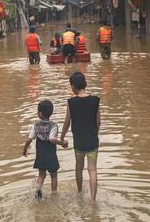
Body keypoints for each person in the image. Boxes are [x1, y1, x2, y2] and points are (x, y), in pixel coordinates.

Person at [60, 72, 101, 204]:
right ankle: (93, 200)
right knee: (92, 169)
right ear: (84, 84)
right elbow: (98, 121)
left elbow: (67, 123)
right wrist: (95, 133)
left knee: (79, 168)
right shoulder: (95, 100)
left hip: (79, 142)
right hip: (92, 141)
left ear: (73, 86)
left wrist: (61, 138)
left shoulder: (71, 102)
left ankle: (79, 193)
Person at [23, 100, 68, 200]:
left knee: (41, 175)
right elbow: (52, 139)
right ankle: (54, 194)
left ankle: (38, 189)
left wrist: (25, 149)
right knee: (54, 175)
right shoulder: (54, 126)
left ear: (40, 114)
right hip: (51, 154)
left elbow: (29, 139)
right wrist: (62, 144)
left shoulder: (36, 126)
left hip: (41, 154)